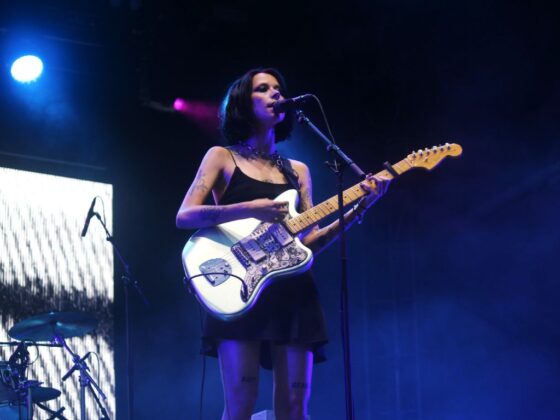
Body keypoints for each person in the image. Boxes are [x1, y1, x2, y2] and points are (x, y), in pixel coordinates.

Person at [176, 67, 390, 420]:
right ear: (244, 101)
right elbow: (185, 215)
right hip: (239, 287)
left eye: (278, 88)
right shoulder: (221, 157)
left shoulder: (299, 171)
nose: (276, 93)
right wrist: (251, 208)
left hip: (292, 293)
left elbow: (310, 242)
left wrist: (360, 207)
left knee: (294, 409)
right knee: (241, 403)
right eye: (264, 88)